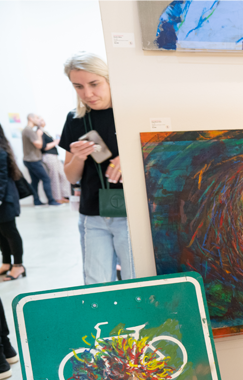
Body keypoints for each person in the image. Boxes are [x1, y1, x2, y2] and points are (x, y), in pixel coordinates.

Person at [59, 51, 135, 285]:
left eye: (94, 84)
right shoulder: (75, 119)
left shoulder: (132, 112)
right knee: (96, 283)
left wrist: (130, 157)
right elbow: (71, 176)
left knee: (139, 279)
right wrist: (79, 158)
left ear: (109, 79)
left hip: (133, 213)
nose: (87, 94)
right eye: (78, 87)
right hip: (92, 213)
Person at [0, 118, 28, 282]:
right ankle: (6, 262)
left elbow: (0, 179)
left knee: (9, 232)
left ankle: (18, 265)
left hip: (2, 199)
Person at [21, 113, 61, 207]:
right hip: (33, 160)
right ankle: (51, 201)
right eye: (36, 118)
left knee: (35, 181)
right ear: (30, 119)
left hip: (30, 159)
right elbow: (39, 145)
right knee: (46, 179)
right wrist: (39, 135)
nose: (38, 120)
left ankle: (36, 201)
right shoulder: (29, 130)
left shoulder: (29, 130)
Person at [38, 117, 71, 203]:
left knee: (63, 174)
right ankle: (57, 198)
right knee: (54, 177)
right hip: (48, 156)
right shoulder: (39, 132)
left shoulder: (45, 132)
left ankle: (64, 195)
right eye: (40, 120)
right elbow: (44, 147)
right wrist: (55, 142)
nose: (43, 121)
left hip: (54, 156)